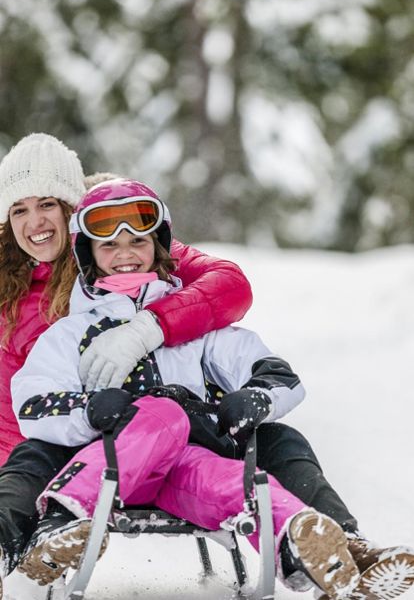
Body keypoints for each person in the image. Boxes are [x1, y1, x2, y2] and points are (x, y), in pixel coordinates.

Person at [11, 177, 361, 600]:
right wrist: (89, 409)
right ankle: (62, 519)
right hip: (112, 470)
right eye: (109, 246)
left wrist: (255, 396)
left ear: (157, 246)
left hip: (187, 466)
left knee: (236, 481)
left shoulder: (195, 328)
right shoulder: (73, 332)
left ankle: (309, 547)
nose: (125, 254)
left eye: (137, 241)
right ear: (88, 254)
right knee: (164, 412)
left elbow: (275, 374)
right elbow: (32, 402)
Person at [0, 134, 253, 596]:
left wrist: (148, 327)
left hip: (107, 439)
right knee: (22, 468)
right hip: (28, 448)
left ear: (72, 208)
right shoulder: (5, 274)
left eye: (48, 205)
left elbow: (230, 286)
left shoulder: (117, 250)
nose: (35, 223)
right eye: (19, 209)